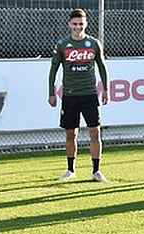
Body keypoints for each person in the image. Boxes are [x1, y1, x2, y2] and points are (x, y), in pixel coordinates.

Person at [48, 8, 109, 182]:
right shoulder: (62, 44)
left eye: (81, 24)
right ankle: (70, 170)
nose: (77, 27)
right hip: (69, 95)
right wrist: (51, 92)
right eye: (75, 24)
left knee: (95, 133)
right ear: (69, 24)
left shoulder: (94, 43)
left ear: (86, 24)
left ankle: (96, 171)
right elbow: (53, 70)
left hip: (90, 94)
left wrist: (106, 89)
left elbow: (102, 67)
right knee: (70, 134)